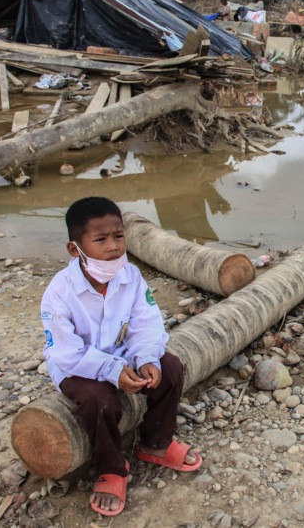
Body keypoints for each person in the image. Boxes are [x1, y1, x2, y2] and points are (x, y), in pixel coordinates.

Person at [41, 197, 202, 517]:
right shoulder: (59, 292)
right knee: (99, 399)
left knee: (169, 368)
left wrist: (145, 358)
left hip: (120, 352)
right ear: (75, 249)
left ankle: (155, 444)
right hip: (78, 365)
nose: (113, 246)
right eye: (100, 240)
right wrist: (111, 371)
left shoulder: (130, 276)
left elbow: (147, 324)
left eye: (118, 236)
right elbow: (66, 351)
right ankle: (111, 468)